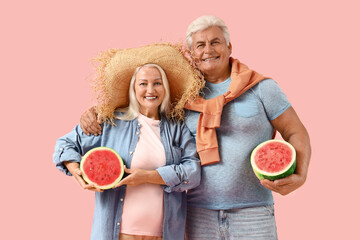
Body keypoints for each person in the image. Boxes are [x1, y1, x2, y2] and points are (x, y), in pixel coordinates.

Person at [80, 16, 311, 240]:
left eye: (215, 42)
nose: (208, 50)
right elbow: (141, 107)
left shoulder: (262, 88)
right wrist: (94, 113)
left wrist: (300, 175)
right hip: (197, 212)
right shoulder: (182, 97)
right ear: (192, 55)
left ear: (229, 47)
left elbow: (295, 131)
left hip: (253, 212)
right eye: (200, 45)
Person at [53, 44, 202, 240]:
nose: (150, 89)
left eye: (157, 83)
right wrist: (76, 171)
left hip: (165, 234)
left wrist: (148, 176)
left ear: (165, 87)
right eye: (143, 83)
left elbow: (193, 173)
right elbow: (65, 144)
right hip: (117, 234)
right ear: (133, 88)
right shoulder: (110, 121)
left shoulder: (177, 128)